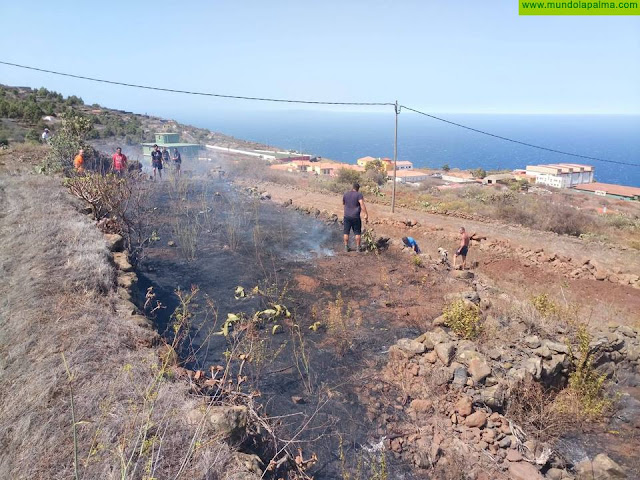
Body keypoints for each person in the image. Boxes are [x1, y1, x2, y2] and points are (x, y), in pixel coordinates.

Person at [343, 182, 368, 252]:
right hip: (355, 217)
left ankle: (346, 247)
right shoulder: (359, 194)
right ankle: (357, 248)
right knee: (357, 232)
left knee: (346, 232)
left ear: (352, 187)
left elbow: (343, 203)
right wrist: (365, 214)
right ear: (358, 188)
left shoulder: (346, 194)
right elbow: (362, 203)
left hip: (346, 216)